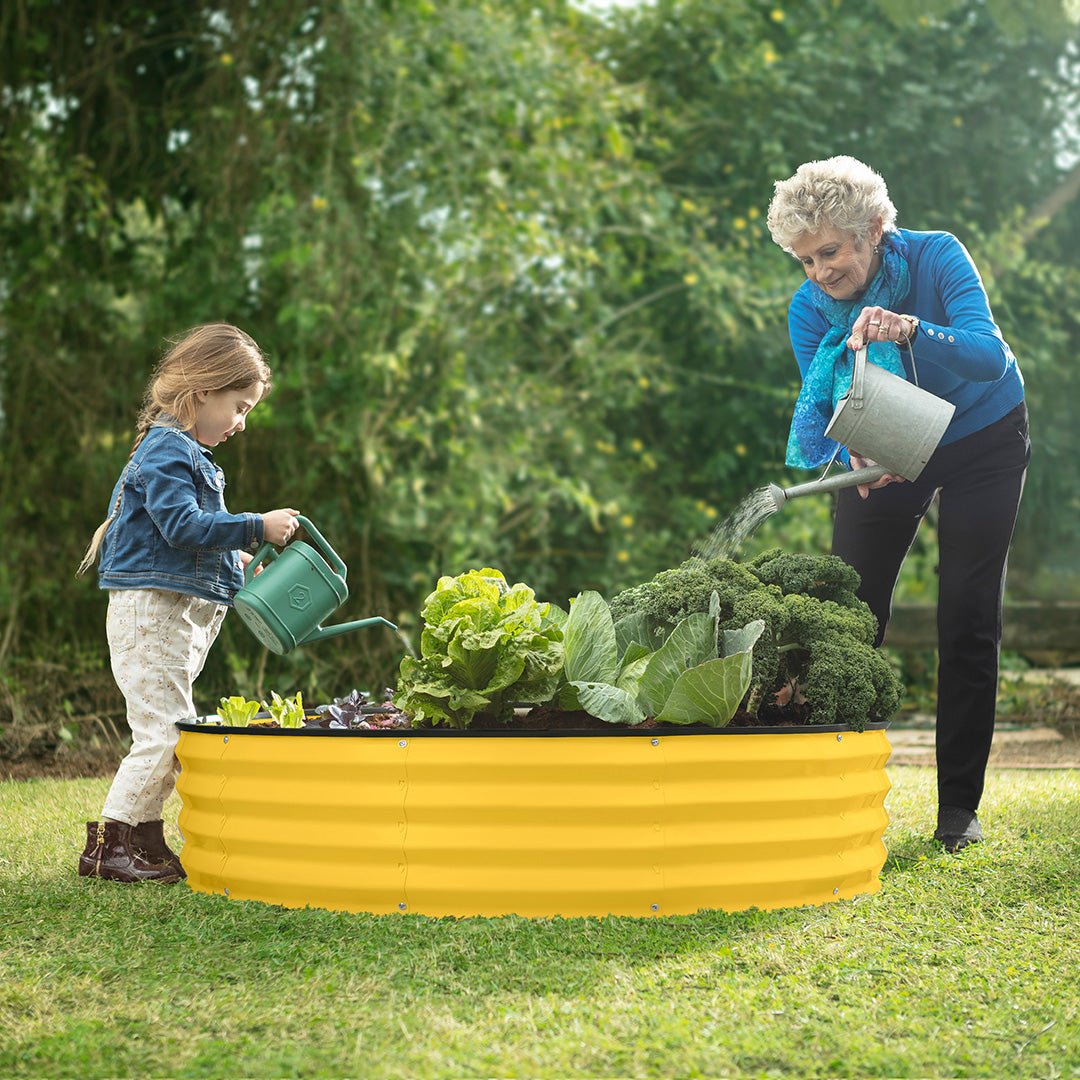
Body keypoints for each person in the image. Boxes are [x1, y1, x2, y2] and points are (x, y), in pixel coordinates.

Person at [766, 156, 1029, 852]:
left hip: (983, 433)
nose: (819, 271)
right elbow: (835, 409)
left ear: (876, 228)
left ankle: (958, 814)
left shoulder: (938, 257)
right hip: (897, 441)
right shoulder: (807, 310)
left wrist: (906, 327)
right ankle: (830, 797)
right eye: (804, 259)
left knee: (967, 616)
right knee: (850, 617)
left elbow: (989, 357)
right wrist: (858, 453)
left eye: (830, 251)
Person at [75, 323, 301, 882]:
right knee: (164, 733)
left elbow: (185, 538)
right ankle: (110, 847)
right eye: (239, 406)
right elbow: (181, 525)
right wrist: (255, 526)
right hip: (152, 613)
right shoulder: (166, 450)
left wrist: (234, 562)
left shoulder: (185, 452)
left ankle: (144, 842)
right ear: (203, 391)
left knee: (171, 730)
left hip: (174, 614)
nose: (242, 422)